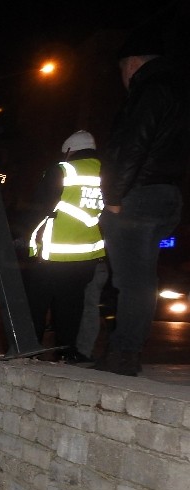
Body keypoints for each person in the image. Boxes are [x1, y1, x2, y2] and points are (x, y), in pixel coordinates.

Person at [96, 36, 189, 376]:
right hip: (167, 194)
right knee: (141, 277)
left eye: (122, 71)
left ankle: (123, 354)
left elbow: (134, 144)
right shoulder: (179, 91)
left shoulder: (150, 90)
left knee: (132, 281)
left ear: (132, 64)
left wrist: (115, 197)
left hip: (138, 196)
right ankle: (124, 349)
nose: (123, 79)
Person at [25, 130, 105, 363]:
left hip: (53, 253)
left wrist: (29, 243)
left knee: (37, 303)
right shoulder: (108, 173)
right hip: (86, 256)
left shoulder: (62, 170)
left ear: (69, 151)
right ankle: (67, 351)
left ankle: (30, 349)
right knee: (71, 305)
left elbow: (39, 206)